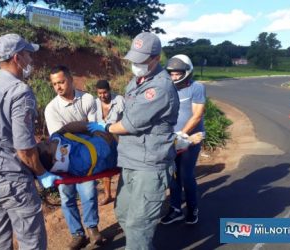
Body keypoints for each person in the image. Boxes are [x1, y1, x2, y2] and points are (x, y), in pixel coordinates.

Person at [87, 32, 180, 249]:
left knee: (139, 225)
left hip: (149, 166)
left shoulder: (158, 88)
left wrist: (106, 127)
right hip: (130, 161)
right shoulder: (137, 81)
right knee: (123, 212)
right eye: (134, 59)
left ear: (156, 58)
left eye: (141, 60)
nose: (135, 64)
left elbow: (128, 124)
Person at [0, 33, 60, 250]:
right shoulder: (20, 92)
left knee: (1, 233)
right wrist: (43, 174)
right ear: (16, 58)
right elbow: (24, 149)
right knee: (31, 240)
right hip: (12, 182)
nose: (31, 60)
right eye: (28, 55)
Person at [44, 65, 102, 249]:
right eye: (54, 84)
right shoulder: (51, 108)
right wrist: (81, 127)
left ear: (70, 79)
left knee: (88, 193)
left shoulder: (87, 99)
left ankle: (92, 229)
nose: (58, 87)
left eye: (61, 82)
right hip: (62, 159)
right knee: (67, 197)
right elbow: (59, 139)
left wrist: (76, 129)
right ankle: (77, 234)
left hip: (85, 157)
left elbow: (93, 129)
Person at [37, 121, 202, 177]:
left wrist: (90, 126)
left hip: (112, 137)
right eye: (45, 144)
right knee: (151, 143)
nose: (46, 140)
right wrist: (104, 130)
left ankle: (176, 137)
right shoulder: (80, 164)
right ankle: (181, 142)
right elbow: (106, 145)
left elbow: (65, 128)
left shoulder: (55, 141)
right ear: (54, 158)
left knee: (146, 131)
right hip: (122, 150)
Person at [160, 54, 206, 225]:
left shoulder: (197, 88)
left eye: (178, 73)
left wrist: (182, 135)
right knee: (173, 175)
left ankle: (192, 208)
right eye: (171, 73)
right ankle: (175, 209)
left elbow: (197, 115)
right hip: (172, 139)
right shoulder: (167, 89)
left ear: (187, 72)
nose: (174, 76)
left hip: (191, 139)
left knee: (186, 175)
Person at [95, 79, 125, 205]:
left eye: (105, 93)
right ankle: (108, 195)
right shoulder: (94, 103)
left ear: (109, 91)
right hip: (102, 139)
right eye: (100, 93)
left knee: (123, 167)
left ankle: (123, 194)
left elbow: (127, 119)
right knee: (104, 166)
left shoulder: (119, 100)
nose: (102, 96)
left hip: (119, 139)